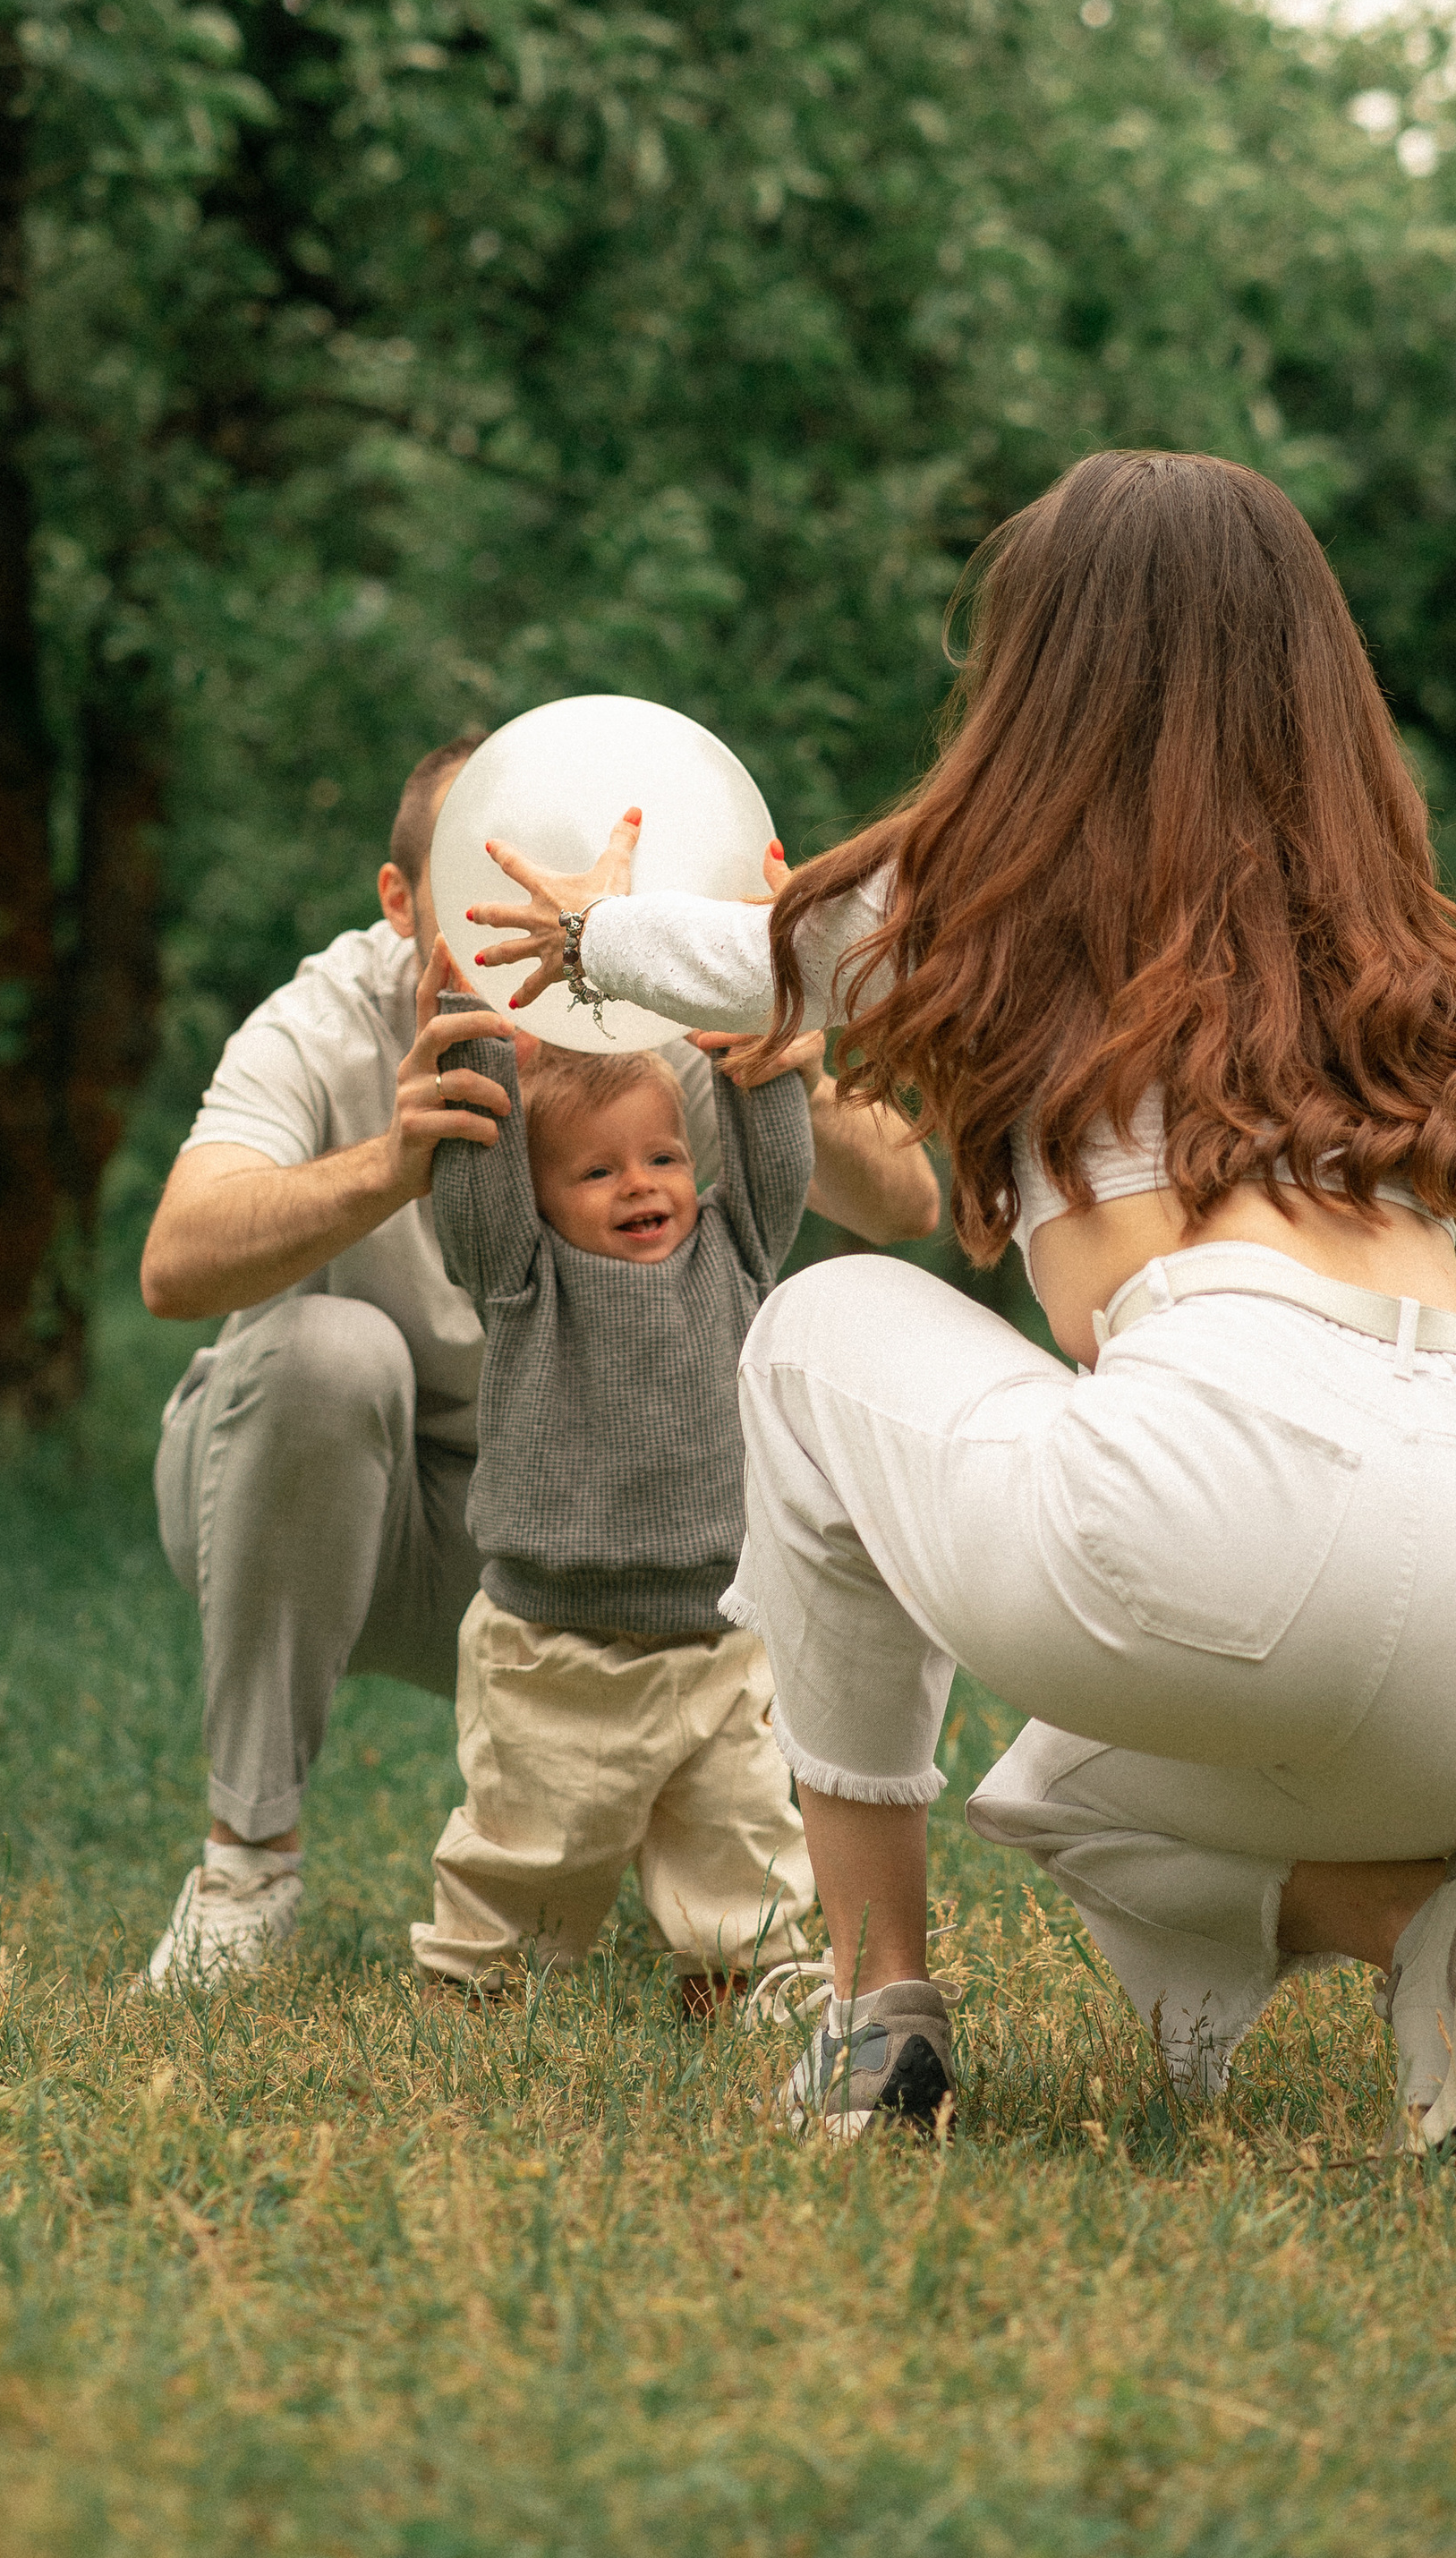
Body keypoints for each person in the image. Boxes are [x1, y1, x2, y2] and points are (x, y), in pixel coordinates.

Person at [465, 454, 1456, 2150]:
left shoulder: (999, 895)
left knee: (812, 1336)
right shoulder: (1382, 940)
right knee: (1059, 1786)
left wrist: (590, 930)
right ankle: (1435, 1937)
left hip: (1226, 1529)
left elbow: (745, 948)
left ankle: (878, 2020)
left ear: (1045, 680)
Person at [136, 735, 940, 1990]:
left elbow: (906, 1205)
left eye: (539, 878)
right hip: (356, 1516)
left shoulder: (627, 1005)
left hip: (613, 1523)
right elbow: (175, 1265)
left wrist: (786, 1053)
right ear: (402, 900)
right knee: (324, 1354)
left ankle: (684, 1875)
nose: (513, 918)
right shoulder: (327, 1014)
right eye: (472, 880)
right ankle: (248, 1864)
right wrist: (391, 1165)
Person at [409, 1005, 819, 2003]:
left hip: (718, 1636)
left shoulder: (736, 1251)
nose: (640, 1185)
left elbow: (774, 1159)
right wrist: (477, 1038)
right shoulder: (521, 1278)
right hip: (555, 1648)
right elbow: (473, 1189)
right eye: (595, 1173)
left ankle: (740, 1977)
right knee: (530, 1840)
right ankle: (483, 1982)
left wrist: (744, 1029)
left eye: (664, 1158)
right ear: (537, 1198)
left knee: (744, 1834)